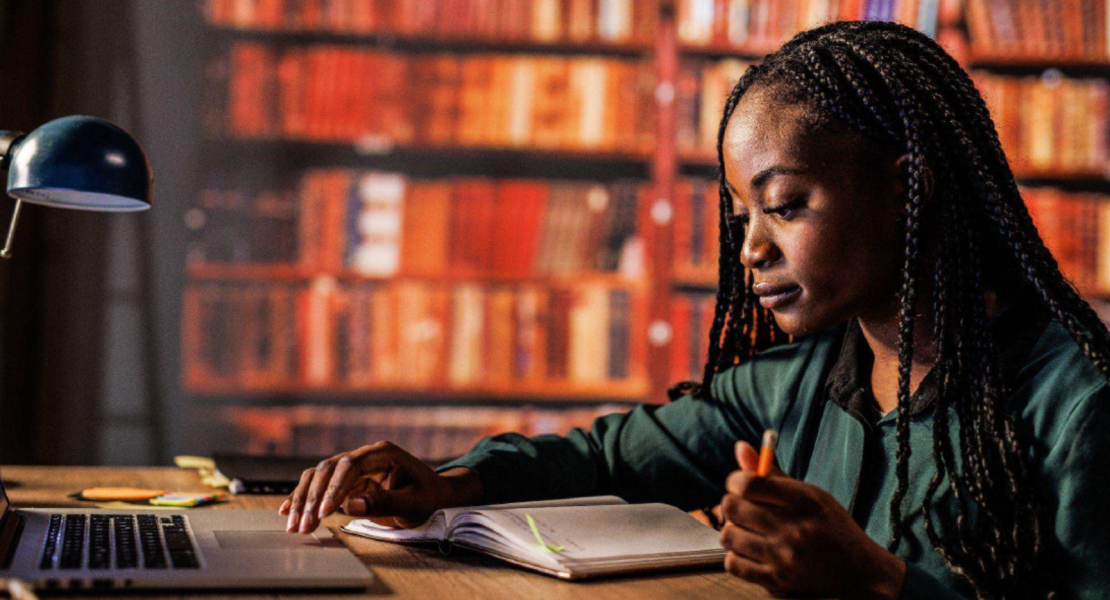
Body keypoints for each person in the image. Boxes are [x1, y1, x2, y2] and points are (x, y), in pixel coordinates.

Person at [279, 21, 1110, 600]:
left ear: (906, 189)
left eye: (785, 206)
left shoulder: (1081, 408)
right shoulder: (802, 380)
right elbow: (610, 456)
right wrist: (445, 482)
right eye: (740, 216)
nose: (750, 251)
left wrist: (880, 582)